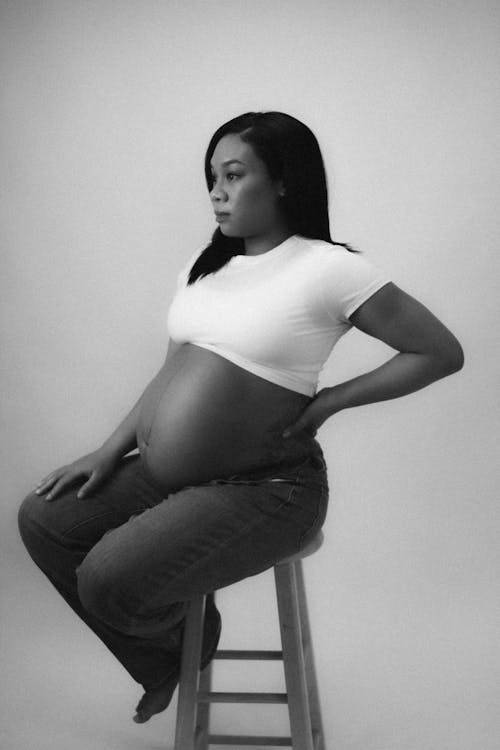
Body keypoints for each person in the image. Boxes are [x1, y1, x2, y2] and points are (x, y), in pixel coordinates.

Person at [17, 111, 464, 725]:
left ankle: (182, 640)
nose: (217, 193)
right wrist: (106, 449)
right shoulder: (203, 268)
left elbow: (439, 353)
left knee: (108, 580)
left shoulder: (329, 268)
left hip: (268, 487)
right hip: (174, 476)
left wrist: (331, 401)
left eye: (234, 175)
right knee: (46, 519)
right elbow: (167, 377)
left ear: (282, 182)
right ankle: (168, 657)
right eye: (212, 177)